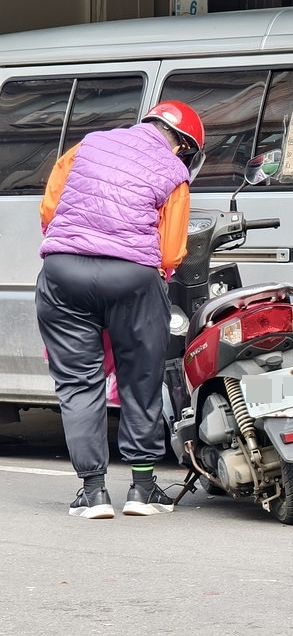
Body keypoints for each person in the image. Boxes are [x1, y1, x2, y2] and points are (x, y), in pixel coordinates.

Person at [35, 101, 206, 519]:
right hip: (132, 277)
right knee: (141, 376)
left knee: (78, 381)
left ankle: (92, 492)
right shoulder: (174, 174)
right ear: (184, 147)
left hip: (63, 271)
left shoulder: (85, 146)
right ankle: (142, 489)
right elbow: (170, 251)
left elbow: (49, 211)